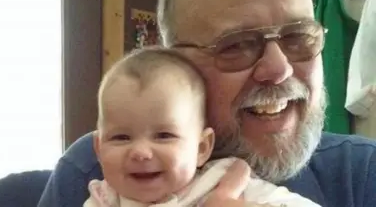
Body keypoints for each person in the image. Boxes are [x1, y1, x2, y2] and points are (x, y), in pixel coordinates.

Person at [37, 0, 376, 206]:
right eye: (237, 44)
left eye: (299, 37)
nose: (279, 68)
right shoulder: (101, 170)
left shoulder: (360, 175)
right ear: (174, 64)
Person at [84, 47, 320, 206]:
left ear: (201, 148)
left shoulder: (221, 183)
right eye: (121, 137)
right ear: (98, 148)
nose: (140, 152)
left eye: (164, 135)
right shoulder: (103, 199)